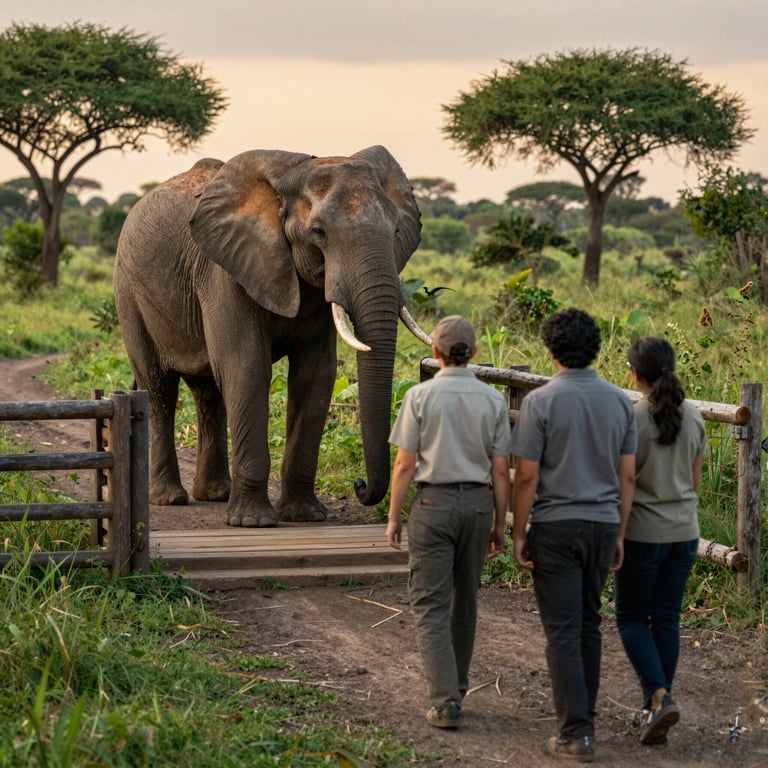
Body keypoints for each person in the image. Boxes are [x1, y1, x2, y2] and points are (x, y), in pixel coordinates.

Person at [510, 307, 637, 762]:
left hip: (556, 526)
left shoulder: (540, 402)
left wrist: (520, 532)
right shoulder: (621, 401)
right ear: (596, 348)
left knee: (562, 630)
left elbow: (526, 478)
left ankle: (575, 732)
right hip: (603, 525)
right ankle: (584, 720)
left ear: (551, 351)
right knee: (588, 622)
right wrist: (619, 533)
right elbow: (627, 478)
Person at [386, 314, 511, 730]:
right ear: (474, 353)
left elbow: (404, 464)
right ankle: (455, 686)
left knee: (429, 603)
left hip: (434, 503)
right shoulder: (493, 400)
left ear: (435, 353)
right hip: (477, 505)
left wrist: (393, 516)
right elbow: (500, 470)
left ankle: (444, 702)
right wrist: (499, 521)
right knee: (465, 601)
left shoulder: (419, 397)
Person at [616, 337, 708, 746]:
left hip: (643, 535)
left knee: (631, 618)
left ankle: (659, 696)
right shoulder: (695, 417)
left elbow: (627, 482)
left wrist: (616, 535)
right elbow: (695, 482)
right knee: (666, 619)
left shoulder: (633, 418)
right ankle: (655, 707)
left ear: (635, 374)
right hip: (685, 533)